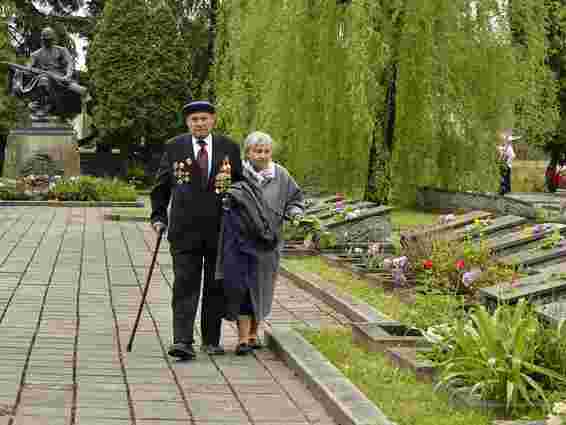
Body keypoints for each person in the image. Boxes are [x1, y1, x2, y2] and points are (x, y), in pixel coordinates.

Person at [150, 100, 243, 360]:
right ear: (187, 123)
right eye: (194, 120)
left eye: (204, 119)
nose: (199, 124)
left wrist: (240, 216)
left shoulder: (229, 147)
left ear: (213, 120)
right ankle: (182, 341)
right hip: (184, 230)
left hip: (220, 230)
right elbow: (161, 187)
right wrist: (158, 217)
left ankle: (211, 340)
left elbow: (240, 185)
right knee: (185, 285)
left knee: (215, 286)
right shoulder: (174, 147)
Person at [217, 131, 304, 355]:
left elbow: (295, 199)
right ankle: (243, 338)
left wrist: (295, 214)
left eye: (266, 151)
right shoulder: (237, 174)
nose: (262, 155)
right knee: (243, 288)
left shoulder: (281, 175)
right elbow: (222, 197)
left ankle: (255, 333)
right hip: (240, 241)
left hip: (269, 243)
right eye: (257, 151)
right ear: (248, 152)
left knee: (263, 288)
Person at [7, 27, 84, 119]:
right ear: (42, 40)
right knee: (43, 79)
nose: (48, 41)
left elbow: (70, 64)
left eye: (50, 39)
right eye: (46, 40)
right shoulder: (35, 54)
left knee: (72, 88)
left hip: (60, 77)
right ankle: (44, 104)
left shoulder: (62, 50)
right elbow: (28, 68)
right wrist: (19, 70)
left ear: (54, 39)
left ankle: (50, 105)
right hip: (42, 77)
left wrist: (68, 75)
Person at [497, 128, 518, 195]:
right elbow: (513, 156)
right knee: (505, 177)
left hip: (504, 164)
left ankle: (505, 189)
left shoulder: (504, 147)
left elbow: (512, 156)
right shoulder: (507, 148)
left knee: (504, 177)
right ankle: (505, 189)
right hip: (506, 164)